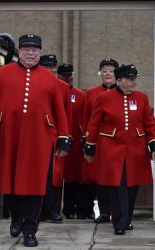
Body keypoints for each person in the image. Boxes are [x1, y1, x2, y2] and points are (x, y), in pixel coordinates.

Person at [0, 34, 70, 247]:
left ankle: (30, 229)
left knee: (35, 186)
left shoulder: (50, 80)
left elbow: (60, 112)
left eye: (35, 50)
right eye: (26, 50)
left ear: (40, 52)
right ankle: (16, 218)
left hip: (40, 139)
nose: (31, 53)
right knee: (10, 182)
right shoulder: (2, 74)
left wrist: (64, 139)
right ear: (19, 52)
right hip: (10, 136)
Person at [84, 64, 155, 235]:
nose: (134, 82)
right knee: (117, 186)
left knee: (132, 186)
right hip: (112, 149)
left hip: (136, 150)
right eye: (130, 79)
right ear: (119, 81)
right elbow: (94, 123)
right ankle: (119, 223)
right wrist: (89, 147)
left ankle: (126, 219)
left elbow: (149, 124)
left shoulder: (141, 98)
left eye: (135, 79)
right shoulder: (104, 98)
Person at [82, 58, 119, 223]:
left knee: (118, 178)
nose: (108, 74)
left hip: (118, 142)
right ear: (100, 75)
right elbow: (86, 119)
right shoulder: (91, 93)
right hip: (99, 142)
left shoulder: (124, 92)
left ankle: (119, 213)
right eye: (104, 71)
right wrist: (87, 141)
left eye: (111, 71)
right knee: (101, 178)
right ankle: (104, 212)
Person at [39, 54, 72, 223]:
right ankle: (39, 211)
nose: (51, 70)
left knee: (55, 176)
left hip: (56, 137)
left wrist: (65, 138)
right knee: (39, 174)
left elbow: (66, 114)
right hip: (38, 136)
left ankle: (54, 210)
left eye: (53, 67)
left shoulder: (63, 87)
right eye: (47, 67)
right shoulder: (35, 83)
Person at [57, 64, 91, 219]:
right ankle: (53, 209)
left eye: (70, 74)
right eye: (65, 75)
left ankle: (72, 209)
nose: (69, 77)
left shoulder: (80, 95)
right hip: (57, 140)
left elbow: (86, 119)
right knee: (55, 177)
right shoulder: (54, 91)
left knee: (75, 177)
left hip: (75, 142)